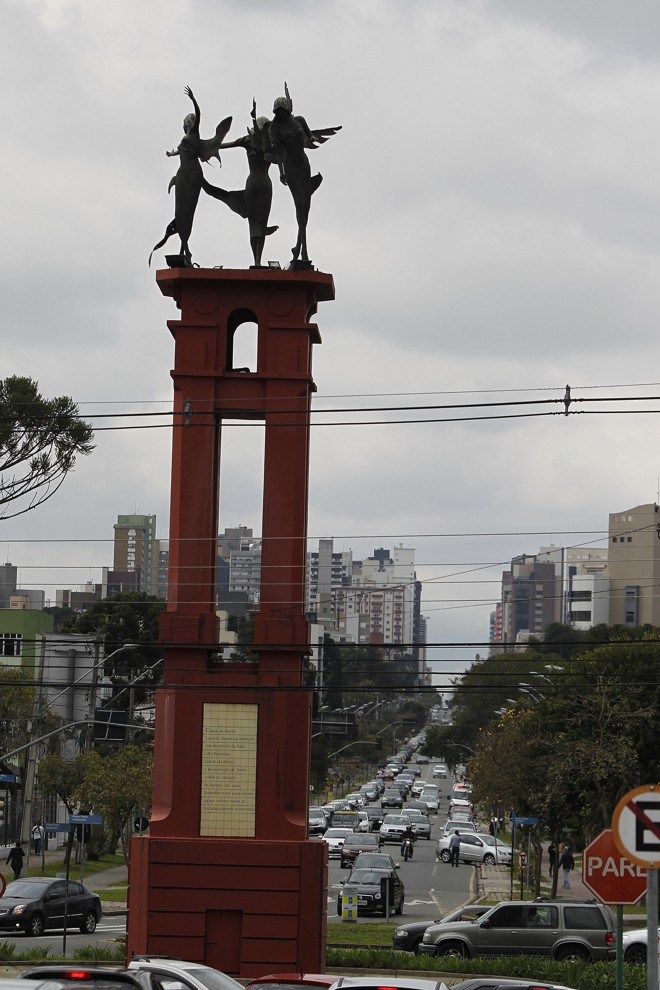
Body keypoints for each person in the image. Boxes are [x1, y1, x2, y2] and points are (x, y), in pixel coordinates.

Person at [150, 87, 232, 266]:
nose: (189, 124)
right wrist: (171, 154)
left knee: (188, 211)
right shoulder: (185, 138)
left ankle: (183, 248)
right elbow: (181, 151)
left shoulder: (194, 134)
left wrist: (193, 99)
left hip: (193, 175)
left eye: (190, 122)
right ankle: (185, 249)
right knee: (180, 211)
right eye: (188, 122)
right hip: (182, 175)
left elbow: (199, 114)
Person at [268, 83, 341, 264]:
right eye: (277, 113)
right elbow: (277, 152)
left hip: (303, 164)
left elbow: (310, 137)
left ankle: (298, 247)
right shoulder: (275, 128)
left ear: (287, 110)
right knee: (299, 205)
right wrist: (281, 172)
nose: (279, 115)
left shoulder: (299, 120)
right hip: (290, 166)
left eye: (281, 111)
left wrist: (314, 137)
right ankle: (304, 253)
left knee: (305, 205)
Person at [202, 101, 279, 268]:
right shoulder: (271, 144)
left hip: (252, 184)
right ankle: (259, 259)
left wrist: (204, 149)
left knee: (253, 224)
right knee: (262, 222)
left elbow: (222, 145)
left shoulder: (247, 140)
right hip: (266, 185)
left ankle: (256, 261)